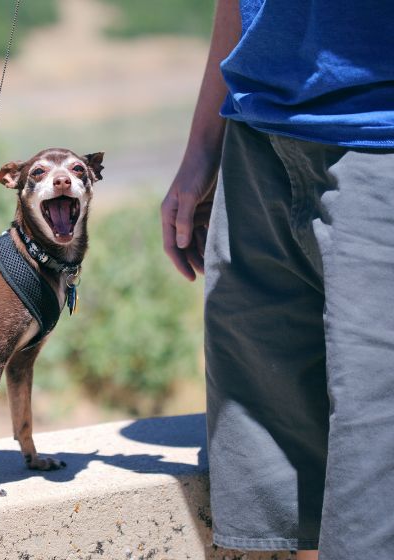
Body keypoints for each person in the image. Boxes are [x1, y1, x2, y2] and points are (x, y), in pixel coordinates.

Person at [160, 1, 394, 558]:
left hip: (380, 143)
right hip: (256, 137)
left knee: (372, 487)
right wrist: (203, 145)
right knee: (283, 495)